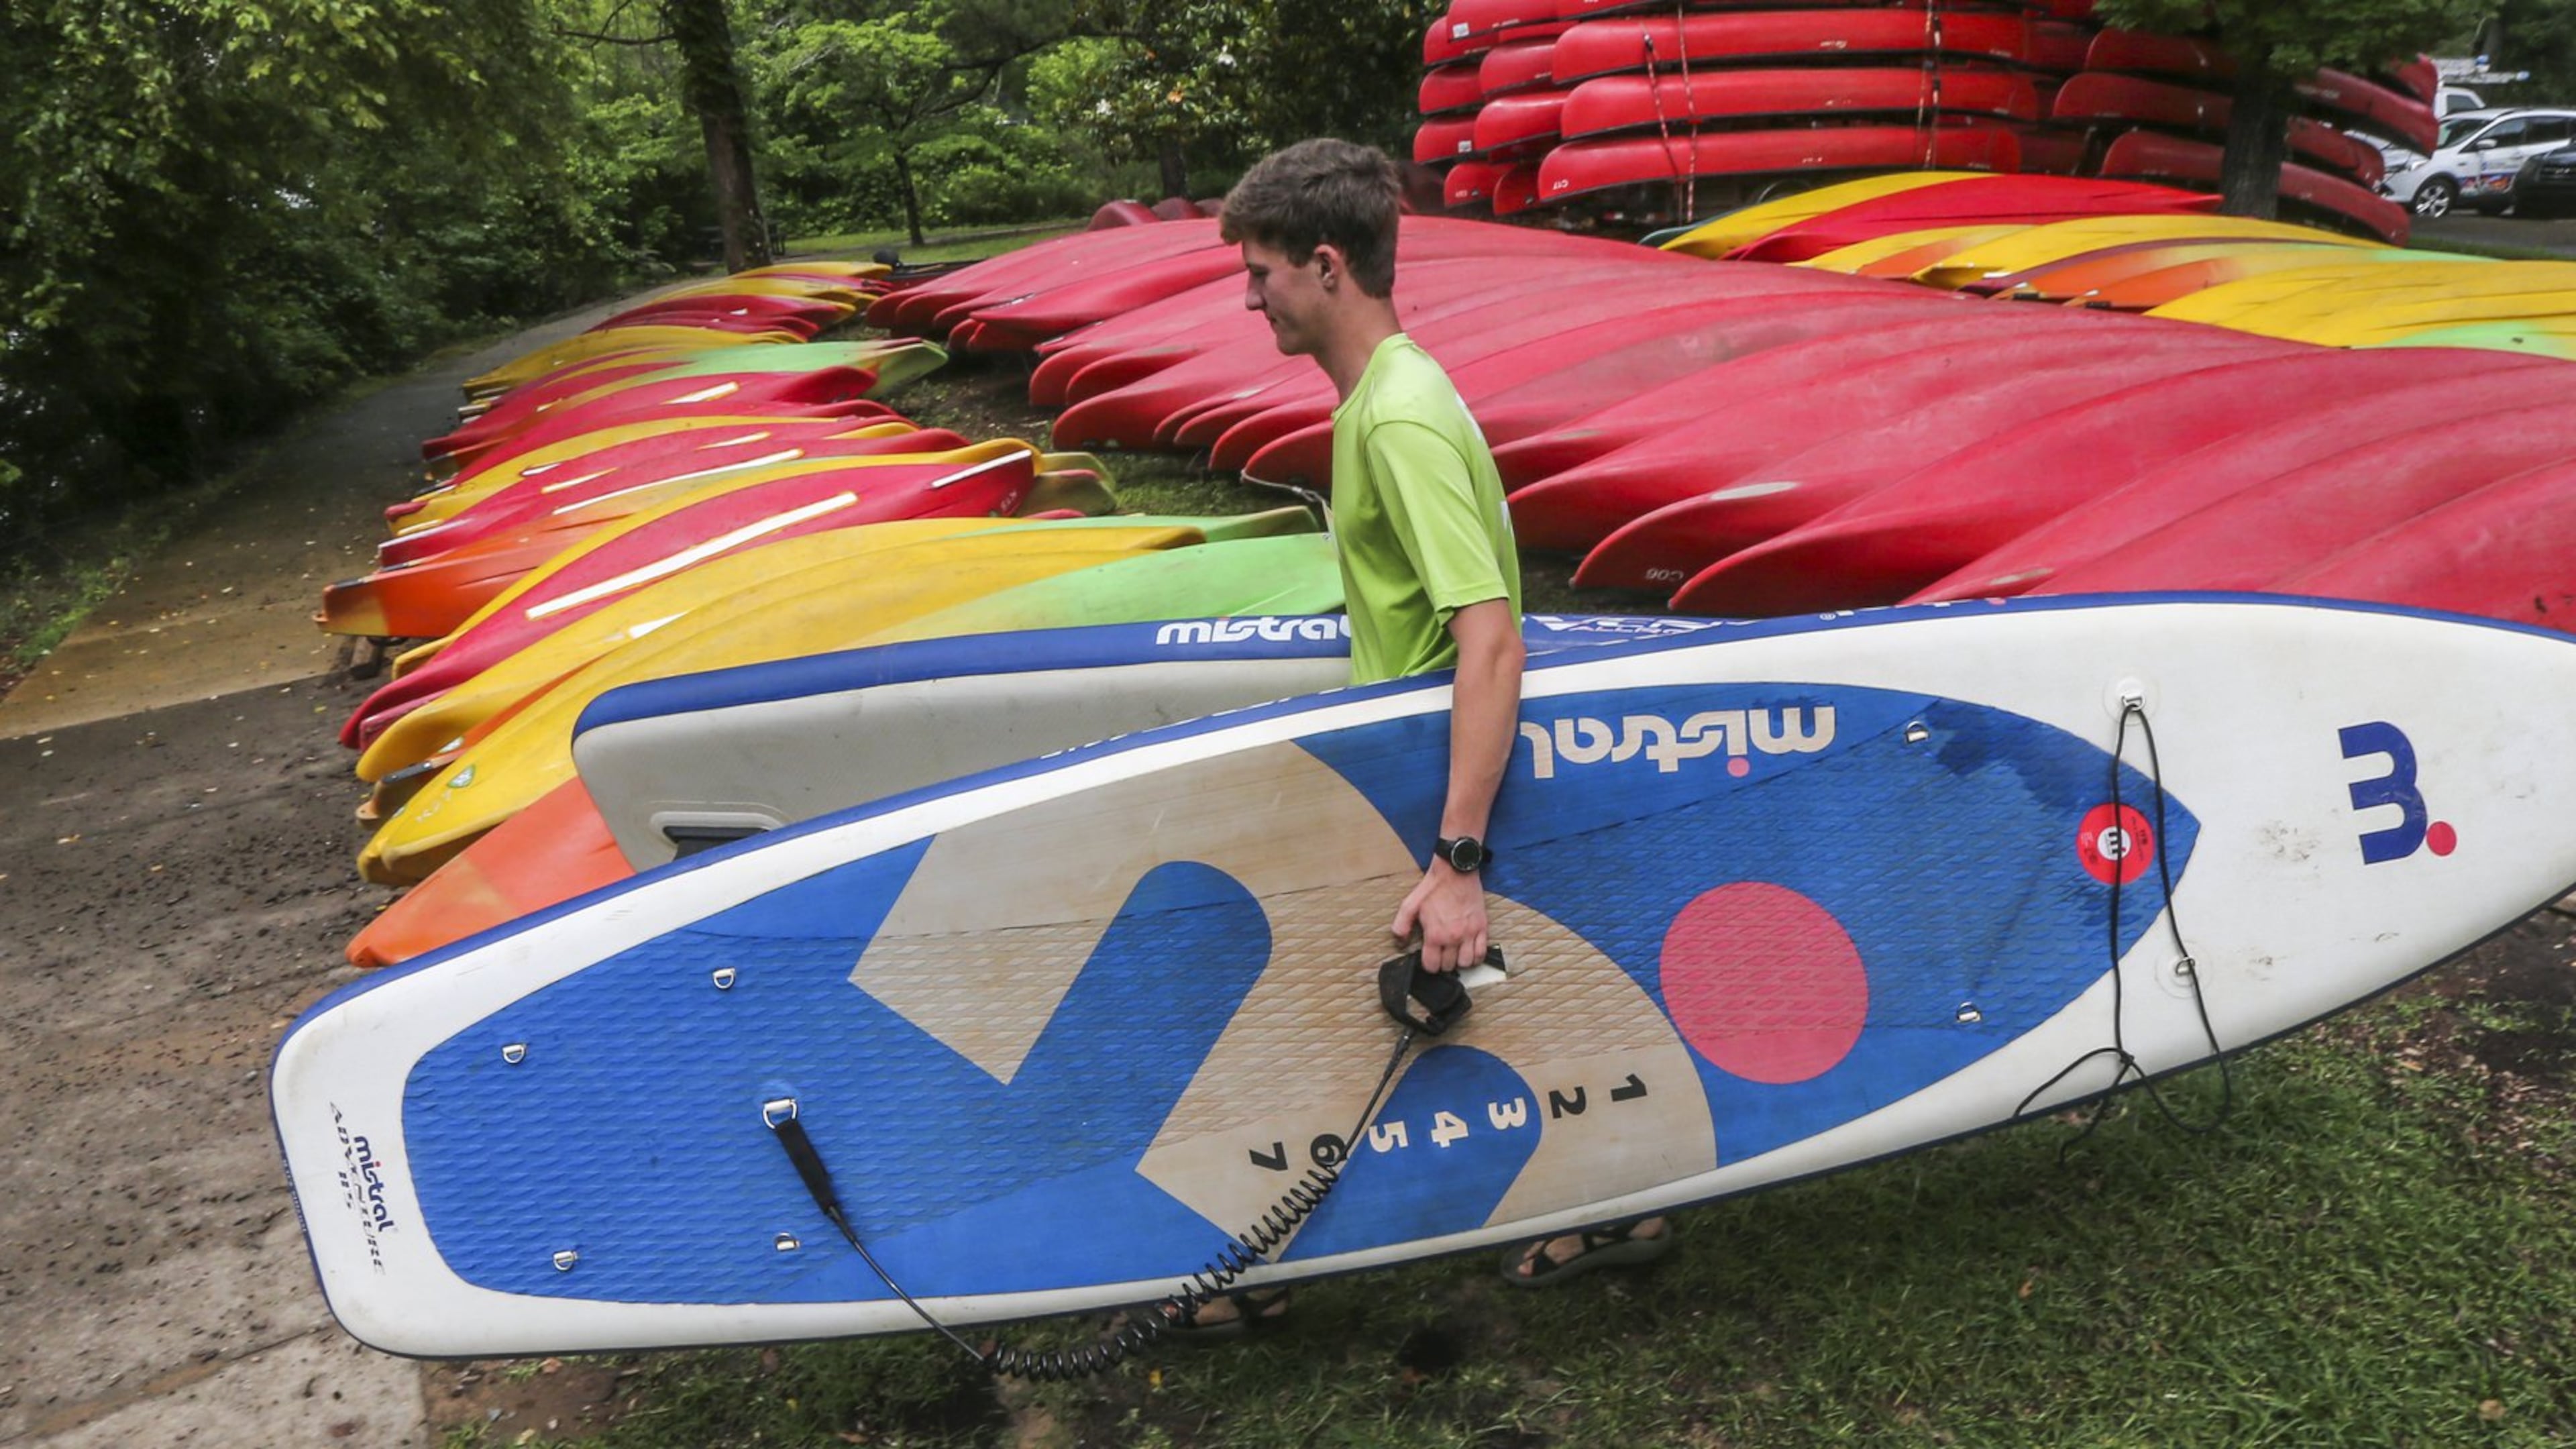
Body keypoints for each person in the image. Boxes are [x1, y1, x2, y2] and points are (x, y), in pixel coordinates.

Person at [1173, 140, 1665, 1336]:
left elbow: (1491, 638)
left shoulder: (1396, 419)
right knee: (1426, 997)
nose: (1250, 298)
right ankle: (1623, 1208)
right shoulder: (1390, 394)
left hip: (1429, 782)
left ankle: (1263, 1264)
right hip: (1404, 763)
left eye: (1263, 272)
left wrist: (1457, 861)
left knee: (1315, 997)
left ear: (1327, 265)